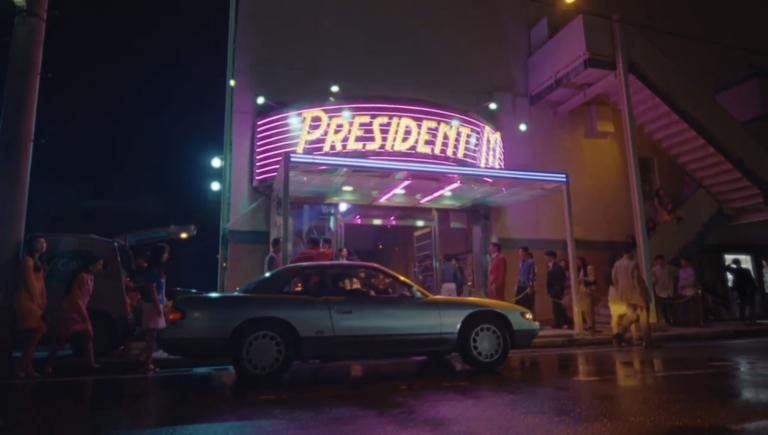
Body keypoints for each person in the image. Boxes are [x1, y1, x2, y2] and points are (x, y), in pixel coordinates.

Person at [46, 254, 104, 373]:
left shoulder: (91, 277)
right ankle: (49, 364)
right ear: (91, 264)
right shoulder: (82, 276)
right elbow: (76, 297)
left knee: (89, 335)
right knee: (62, 338)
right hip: (72, 310)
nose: (100, 267)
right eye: (98, 264)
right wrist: (82, 313)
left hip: (81, 309)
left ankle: (91, 362)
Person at [14, 235, 49, 378]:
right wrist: (38, 301)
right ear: (31, 245)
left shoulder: (39, 262)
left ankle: (27, 366)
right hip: (26, 300)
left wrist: (43, 301)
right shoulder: (27, 260)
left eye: (44, 242)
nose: (42, 244)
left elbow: (41, 284)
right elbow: (30, 282)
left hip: (34, 301)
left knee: (33, 336)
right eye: (39, 242)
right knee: (40, 328)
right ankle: (22, 366)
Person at [612, 247, 653, 347]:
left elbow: (614, 279)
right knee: (643, 316)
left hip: (624, 292)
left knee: (630, 315)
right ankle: (647, 341)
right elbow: (637, 280)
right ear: (630, 253)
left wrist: (619, 292)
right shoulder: (633, 264)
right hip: (635, 292)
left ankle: (619, 335)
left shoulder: (617, 264)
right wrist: (642, 294)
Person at [141, 244, 170, 372]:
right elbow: (152, 290)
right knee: (152, 335)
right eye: (165, 253)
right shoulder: (153, 270)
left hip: (157, 303)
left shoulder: (158, 270)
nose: (167, 256)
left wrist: (165, 302)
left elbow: (160, 290)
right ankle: (147, 362)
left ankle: (145, 358)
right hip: (152, 305)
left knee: (153, 334)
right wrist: (158, 306)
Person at [545, 251, 573, 329]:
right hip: (552, 290)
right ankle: (567, 322)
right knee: (558, 308)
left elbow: (562, 278)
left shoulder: (557, 267)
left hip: (556, 290)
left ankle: (559, 323)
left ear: (552, 257)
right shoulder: (549, 266)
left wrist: (558, 288)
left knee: (557, 308)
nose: (545, 258)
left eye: (547, 256)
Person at [726, 258, 758, 324]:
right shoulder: (746, 270)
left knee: (742, 304)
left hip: (740, 288)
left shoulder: (735, 270)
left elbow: (725, 268)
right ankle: (752, 318)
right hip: (746, 288)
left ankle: (743, 319)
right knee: (749, 304)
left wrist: (730, 263)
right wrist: (753, 287)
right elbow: (751, 280)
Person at [651, 255, 676, 325]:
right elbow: (652, 279)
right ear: (656, 262)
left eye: (661, 260)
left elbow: (676, 272)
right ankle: (666, 320)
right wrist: (655, 280)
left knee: (671, 306)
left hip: (669, 289)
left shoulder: (668, 268)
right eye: (659, 261)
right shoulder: (654, 270)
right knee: (663, 307)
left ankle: (674, 319)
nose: (660, 262)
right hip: (660, 291)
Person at [576, 257, 597, 332]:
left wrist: (583, 278)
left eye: (579, 262)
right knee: (584, 309)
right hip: (582, 290)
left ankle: (591, 324)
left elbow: (592, 279)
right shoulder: (581, 269)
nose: (578, 264)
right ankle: (589, 323)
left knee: (587, 308)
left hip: (587, 289)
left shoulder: (588, 268)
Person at [677, 257, 697, 326]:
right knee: (683, 307)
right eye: (681, 262)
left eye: (683, 262)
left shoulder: (691, 271)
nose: (682, 263)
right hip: (681, 291)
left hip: (689, 291)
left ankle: (692, 321)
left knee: (690, 307)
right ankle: (683, 321)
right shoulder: (680, 270)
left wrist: (685, 285)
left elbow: (691, 281)